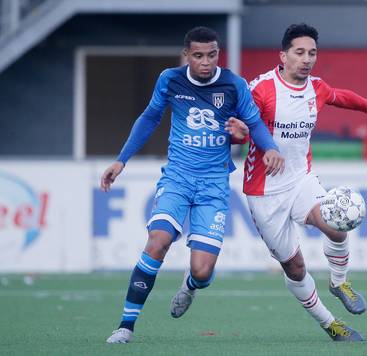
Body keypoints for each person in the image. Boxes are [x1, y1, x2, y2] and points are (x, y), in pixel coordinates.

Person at [102, 26, 284, 344]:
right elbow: (149, 118)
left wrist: (270, 148)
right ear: (187, 55)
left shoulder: (233, 84)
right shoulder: (170, 79)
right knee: (157, 240)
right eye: (198, 55)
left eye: (211, 55)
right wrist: (122, 159)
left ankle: (190, 285)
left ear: (218, 54)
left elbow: (253, 123)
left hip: (213, 185)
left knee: (201, 271)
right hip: (178, 177)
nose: (205, 62)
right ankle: (125, 326)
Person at [238, 23, 367, 341]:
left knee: (336, 224)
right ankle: (330, 324)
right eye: (300, 52)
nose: (307, 59)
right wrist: (240, 133)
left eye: (312, 53)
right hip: (264, 193)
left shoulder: (316, 88)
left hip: (300, 179)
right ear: (283, 56)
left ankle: (339, 281)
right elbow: (243, 121)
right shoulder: (261, 88)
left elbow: (340, 97)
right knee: (294, 268)